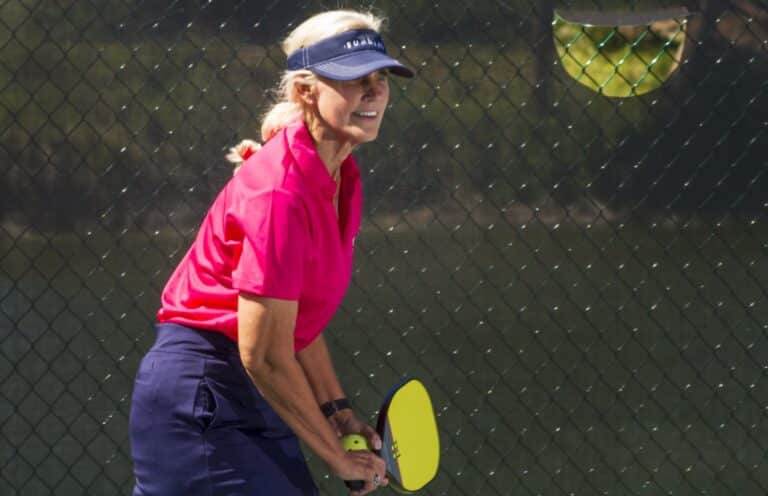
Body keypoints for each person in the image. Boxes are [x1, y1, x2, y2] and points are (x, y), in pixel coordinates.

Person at [128, 9, 413, 496]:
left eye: (380, 77)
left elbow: (293, 326)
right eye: (353, 79)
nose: (372, 92)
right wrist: (336, 456)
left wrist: (339, 413)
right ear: (306, 91)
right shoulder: (279, 193)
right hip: (205, 398)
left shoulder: (341, 178)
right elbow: (263, 354)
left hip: (250, 396)